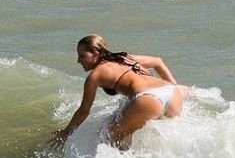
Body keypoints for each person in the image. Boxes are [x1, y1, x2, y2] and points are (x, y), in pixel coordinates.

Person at [49, 34, 187, 151]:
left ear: (96, 53)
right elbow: (158, 62)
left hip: (148, 99)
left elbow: (84, 111)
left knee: (110, 135)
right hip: (171, 92)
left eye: (82, 56)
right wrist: (176, 87)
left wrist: (65, 133)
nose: (78, 61)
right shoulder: (125, 58)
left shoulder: (95, 76)